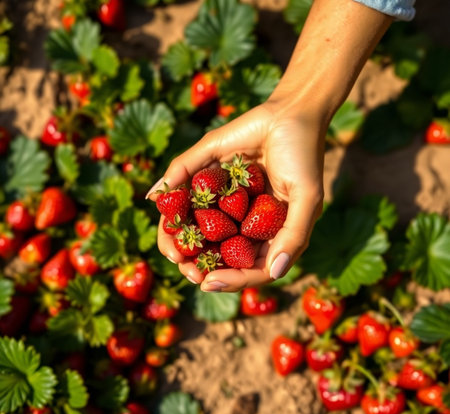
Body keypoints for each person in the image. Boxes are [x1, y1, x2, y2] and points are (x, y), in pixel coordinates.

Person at [147, 0, 416, 293]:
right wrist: (297, 108)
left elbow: (230, 220)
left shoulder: (220, 196)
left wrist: (298, 105)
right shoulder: (221, 202)